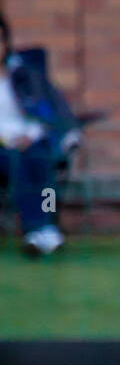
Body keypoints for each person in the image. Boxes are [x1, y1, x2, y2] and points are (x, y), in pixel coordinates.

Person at [0, 13, 80, 257]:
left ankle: (41, 232)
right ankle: (39, 230)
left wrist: (31, 135)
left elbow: (46, 113)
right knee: (18, 163)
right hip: (3, 146)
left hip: (30, 141)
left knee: (39, 158)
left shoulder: (25, 75)